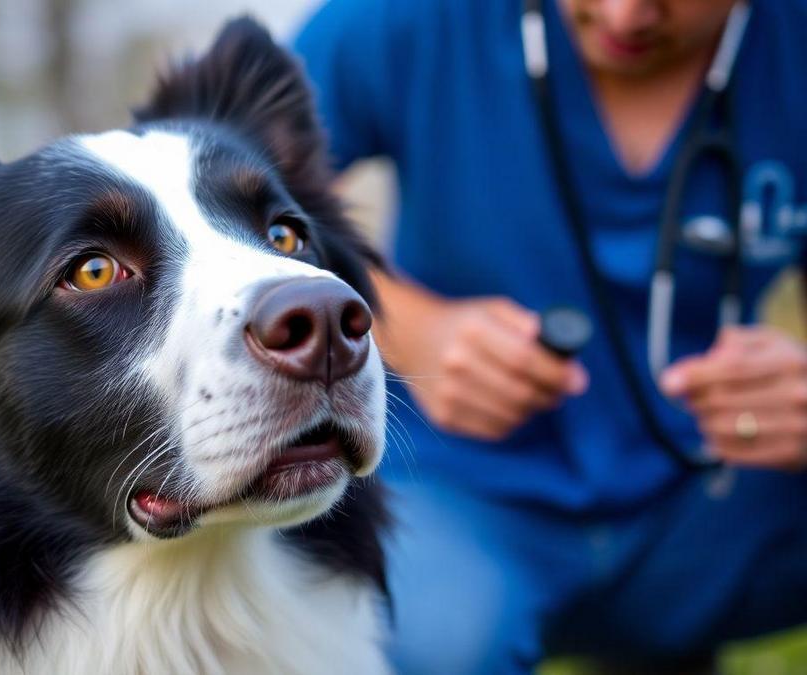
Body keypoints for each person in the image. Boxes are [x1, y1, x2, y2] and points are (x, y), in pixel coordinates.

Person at [293, 0, 807, 672]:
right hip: (454, 495)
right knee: (435, 641)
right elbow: (190, 182)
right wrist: (406, 329)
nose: (624, 17)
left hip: (709, 505)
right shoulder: (409, 18)